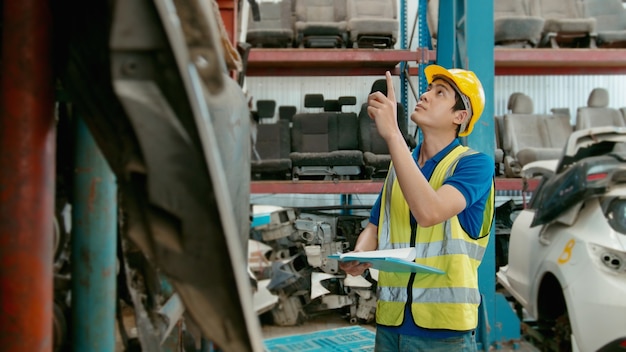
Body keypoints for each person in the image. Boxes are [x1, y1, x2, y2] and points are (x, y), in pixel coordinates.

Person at [340, 65, 494, 352]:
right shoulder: (400, 167)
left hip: (443, 333)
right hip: (390, 323)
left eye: (440, 93)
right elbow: (376, 225)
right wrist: (359, 254)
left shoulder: (474, 165)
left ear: (459, 117)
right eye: (427, 89)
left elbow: (429, 212)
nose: (425, 95)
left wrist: (393, 135)